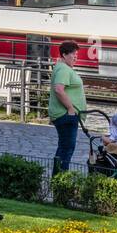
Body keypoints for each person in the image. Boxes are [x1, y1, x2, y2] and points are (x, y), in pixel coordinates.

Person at [49, 41, 86, 173]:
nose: (76, 57)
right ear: (64, 55)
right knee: (66, 149)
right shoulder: (63, 69)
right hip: (65, 115)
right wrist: (71, 109)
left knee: (65, 148)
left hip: (66, 115)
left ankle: (59, 178)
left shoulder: (63, 68)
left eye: (76, 54)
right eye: (73, 54)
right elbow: (59, 89)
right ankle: (60, 180)